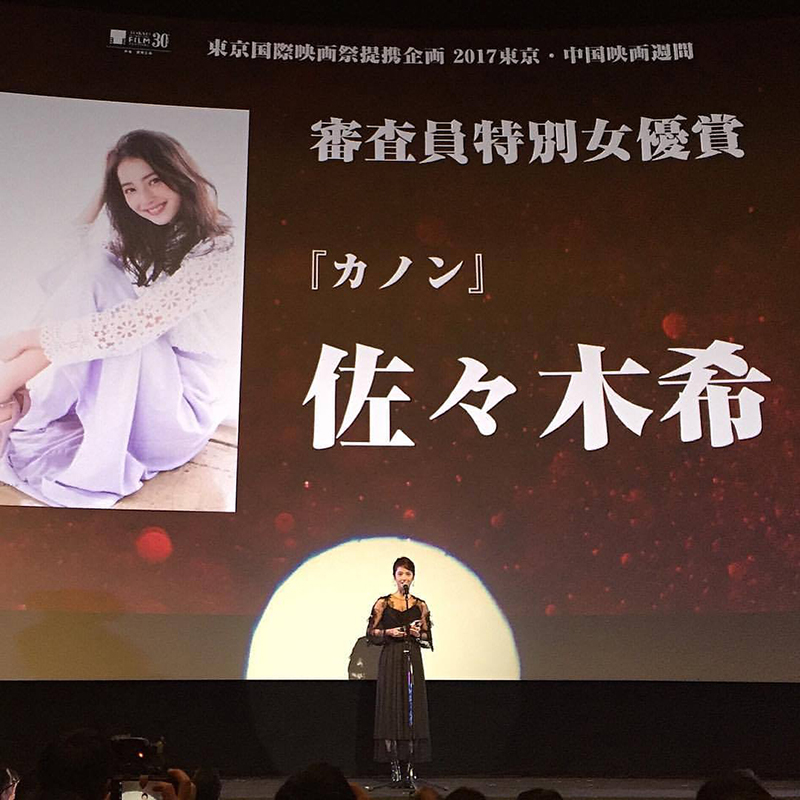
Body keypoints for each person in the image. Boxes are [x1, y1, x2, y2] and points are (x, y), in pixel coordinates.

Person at [0, 129, 240, 507]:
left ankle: (5, 387)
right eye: (129, 189)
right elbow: (60, 270)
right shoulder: (143, 237)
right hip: (141, 402)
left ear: (180, 176)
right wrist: (103, 189)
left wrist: (25, 338)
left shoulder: (218, 249)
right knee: (96, 268)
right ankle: (7, 388)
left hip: (178, 417)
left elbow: (131, 328)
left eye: (154, 181)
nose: (144, 199)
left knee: (123, 319)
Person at [366, 556, 433, 787]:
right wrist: (389, 632)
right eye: (400, 574)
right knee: (391, 708)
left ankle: (410, 768)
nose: (404, 578)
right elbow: (371, 633)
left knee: (412, 708)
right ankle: (394, 766)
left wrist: (417, 634)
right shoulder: (383, 603)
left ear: (413, 577)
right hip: (391, 657)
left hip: (412, 657)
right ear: (394, 577)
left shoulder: (420, 605)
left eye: (408, 574)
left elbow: (427, 637)